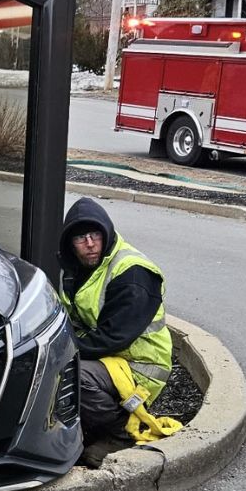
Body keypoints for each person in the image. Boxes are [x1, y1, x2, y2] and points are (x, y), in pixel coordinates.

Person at [57, 198, 172, 463]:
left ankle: (120, 433)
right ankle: (87, 427)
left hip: (141, 366)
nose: (89, 244)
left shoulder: (133, 274)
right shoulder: (77, 269)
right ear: (69, 244)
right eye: (80, 238)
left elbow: (112, 339)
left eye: (95, 234)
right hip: (113, 360)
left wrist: (61, 350)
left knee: (72, 374)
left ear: (105, 233)